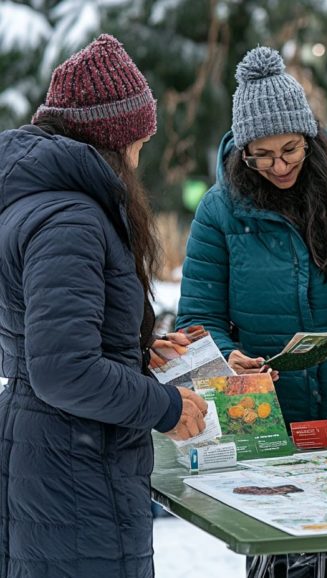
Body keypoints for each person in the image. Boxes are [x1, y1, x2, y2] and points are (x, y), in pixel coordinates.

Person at [176, 46, 327, 578]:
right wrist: (226, 360)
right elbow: (197, 319)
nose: (278, 165)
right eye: (261, 154)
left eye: (291, 149)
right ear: (242, 152)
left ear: (311, 138)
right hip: (265, 423)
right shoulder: (221, 209)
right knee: (281, 562)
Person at [0, 35, 208, 578]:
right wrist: (166, 407)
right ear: (115, 139)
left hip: (57, 458)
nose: (141, 158)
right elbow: (62, 369)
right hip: (75, 472)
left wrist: (136, 352)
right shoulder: (70, 220)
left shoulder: (46, 203)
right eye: (139, 142)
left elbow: (57, 342)